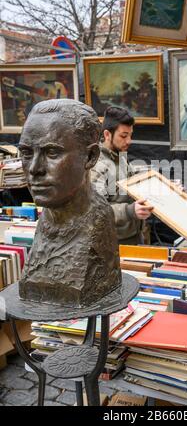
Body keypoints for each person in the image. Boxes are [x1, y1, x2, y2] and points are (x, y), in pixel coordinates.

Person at [18, 99, 121, 307]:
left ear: (90, 157)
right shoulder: (45, 220)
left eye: (52, 153)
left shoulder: (98, 224)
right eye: (27, 153)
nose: (34, 168)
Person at [91, 106, 153, 245]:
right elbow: (95, 211)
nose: (129, 141)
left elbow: (135, 182)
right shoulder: (96, 166)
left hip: (134, 235)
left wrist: (170, 188)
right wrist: (129, 210)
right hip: (114, 243)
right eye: (124, 136)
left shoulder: (121, 157)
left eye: (130, 135)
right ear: (107, 134)